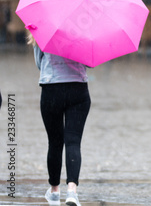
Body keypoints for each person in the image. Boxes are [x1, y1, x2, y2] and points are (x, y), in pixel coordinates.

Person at [28, 33, 91, 206]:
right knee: (73, 142)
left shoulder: (43, 28)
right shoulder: (83, 29)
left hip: (51, 88)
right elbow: (89, 63)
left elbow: (39, 64)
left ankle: (55, 191)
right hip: (78, 88)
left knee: (55, 142)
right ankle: (72, 191)